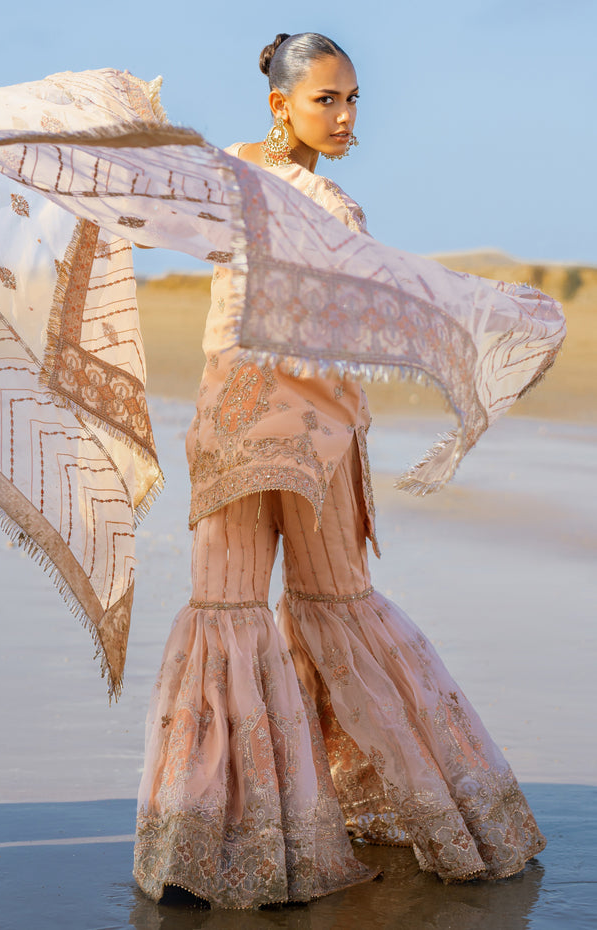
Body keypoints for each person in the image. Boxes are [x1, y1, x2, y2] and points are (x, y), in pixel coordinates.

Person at [131, 33, 547, 909]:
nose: (348, 116)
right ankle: (247, 837)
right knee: (258, 613)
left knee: (293, 612)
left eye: (355, 98)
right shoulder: (283, 194)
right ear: (280, 102)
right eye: (328, 99)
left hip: (274, 433)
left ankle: (242, 838)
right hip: (261, 435)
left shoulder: (258, 186)